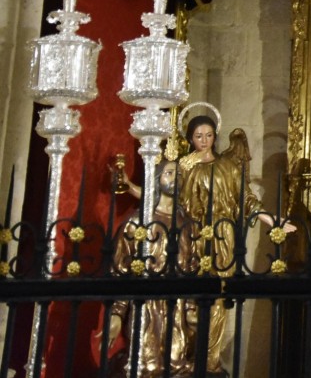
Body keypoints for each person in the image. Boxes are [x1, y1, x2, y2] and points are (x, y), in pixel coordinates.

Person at [177, 111, 296, 374]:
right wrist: (179, 172)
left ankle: (209, 359)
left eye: (209, 135)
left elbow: (246, 199)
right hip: (193, 234)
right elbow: (171, 200)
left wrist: (269, 218)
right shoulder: (185, 167)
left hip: (223, 235)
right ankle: (188, 355)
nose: (204, 140)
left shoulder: (227, 167)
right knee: (190, 297)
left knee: (219, 295)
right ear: (190, 138)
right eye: (198, 136)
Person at [103, 160, 195, 377]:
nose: (176, 178)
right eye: (170, 173)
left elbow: (193, 266)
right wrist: (117, 313)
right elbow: (121, 269)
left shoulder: (187, 225)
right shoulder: (137, 223)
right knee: (146, 366)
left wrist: (191, 309)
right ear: (157, 178)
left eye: (179, 174)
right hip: (145, 304)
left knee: (177, 366)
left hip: (177, 304)